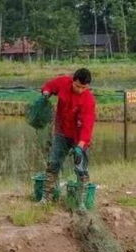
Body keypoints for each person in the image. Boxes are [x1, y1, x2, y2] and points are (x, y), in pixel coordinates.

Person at [39, 68, 96, 208]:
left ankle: (81, 202)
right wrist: (46, 92)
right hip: (61, 133)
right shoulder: (63, 82)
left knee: (81, 169)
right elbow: (49, 86)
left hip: (79, 138)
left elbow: (87, 125)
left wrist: (80, 146)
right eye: (77, 86)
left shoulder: (88, 100)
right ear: (72, 81)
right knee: (53, 164)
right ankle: (46, 198)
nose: (80, 90)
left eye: (83, 87)